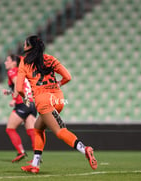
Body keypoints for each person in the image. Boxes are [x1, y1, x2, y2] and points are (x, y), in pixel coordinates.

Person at [16, 35, 97, 173]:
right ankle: (35, 165)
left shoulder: (24, 63)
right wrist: (58, 83)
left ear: (29, 47)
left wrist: (25, 97)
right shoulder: (49, 58)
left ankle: (85, 149)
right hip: (58, 99)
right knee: (38, 128)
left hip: (43, 100)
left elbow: (19, 89)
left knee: (60, 131)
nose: (23, 45)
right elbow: (68, 77)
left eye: (25, 43)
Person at [3, 54, 37, 163]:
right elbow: (25, 86)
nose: (5, 62)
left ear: (14, 63)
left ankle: (21, 151)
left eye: (7, 60)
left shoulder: (12, 71)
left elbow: (18, 84)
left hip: (22, 103)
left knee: (10, 128)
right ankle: (37, 157)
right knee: (31, 131)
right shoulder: (22, 71)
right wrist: (9, 91)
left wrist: (14, 98)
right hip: (31, 103)